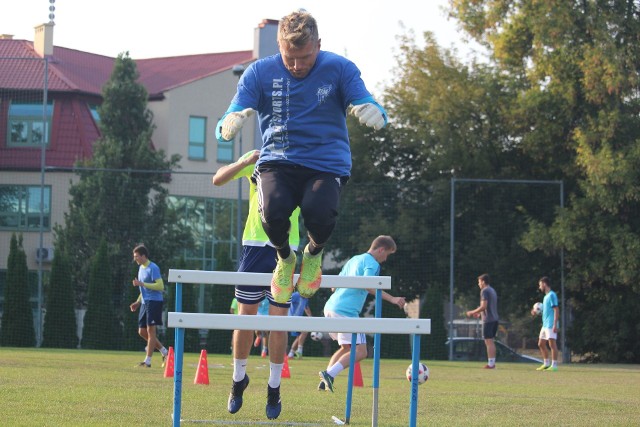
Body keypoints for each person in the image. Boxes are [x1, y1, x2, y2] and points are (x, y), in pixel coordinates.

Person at [216, 10, 388, 307]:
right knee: (272, 210)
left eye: (305, 57)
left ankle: (313, 253)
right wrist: (227, 124)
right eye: (289, 58)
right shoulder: (259, 73)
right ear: (279, 48)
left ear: (318, 45)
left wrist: (373, 110)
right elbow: (228, 117)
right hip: (278, 161)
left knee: (319, 211)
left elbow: (366, 99)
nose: (297, 66)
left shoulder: (340, 68)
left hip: (325, 162)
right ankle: (285, 259)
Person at [212, 149, 300, 420]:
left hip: (286, 247)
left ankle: (274, 387)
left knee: (278, 322)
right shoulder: (258, 157)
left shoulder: (302, 160)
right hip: (253, 246)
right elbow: (217, 179)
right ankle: (238, 379)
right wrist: (245, 161)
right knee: (245, 317)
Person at [318, 236, 405, 392]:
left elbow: (334, 286)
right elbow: (368, 284)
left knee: (346, 348)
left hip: (331, 306)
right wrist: (392, 298)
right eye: (387, 255)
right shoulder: (372, 263)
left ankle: (325, 382)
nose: (385, 259)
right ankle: (329, 374)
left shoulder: (354, 259)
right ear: (381, 250)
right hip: (346, 311)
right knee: (361, 351)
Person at [129, 244, 169, 368]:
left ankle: (148, 361)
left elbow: (160, 286)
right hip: (145, 302)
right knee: (141, 331)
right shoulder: (140, 268)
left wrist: (142, 283)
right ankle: (164, 351)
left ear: (144, 256)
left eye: (137, 256)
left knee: (151, 332)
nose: (135, 259)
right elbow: (143, 289)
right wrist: (138, 301)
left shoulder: (153, 268)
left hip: (154, 302)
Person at [466, 273, 499, 369]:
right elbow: (488, 307)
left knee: (488, 341)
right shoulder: (492, 290)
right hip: (495, 319)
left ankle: (491, 364)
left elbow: (483, 306)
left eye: (479, 282)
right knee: (490, 341)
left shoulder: (484, 291)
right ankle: (492, 363)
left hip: (488, 320)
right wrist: (480, 313)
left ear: (483, 282)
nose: (478, 284)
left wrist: (472, 312)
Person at [532, 276, 560, 371]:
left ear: (544, 284)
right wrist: (536, 312)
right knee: (541, 344)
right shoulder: (545, 297)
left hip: (551, 324)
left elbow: (556, 309)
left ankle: (554, 366)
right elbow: (546, 310)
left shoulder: (552, 295)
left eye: (540, 285)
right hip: (545, 325)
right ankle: (546, 363)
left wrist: (555, 324)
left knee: (552, 344)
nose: (539, 287)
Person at [287, 291, 313, 359]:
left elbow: (306, 308)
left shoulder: (306, 298)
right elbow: (286, 300)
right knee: (305, 331)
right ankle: (299, 351)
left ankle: (291, 354)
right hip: (291, 319)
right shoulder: (295, 295)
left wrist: (310, 317)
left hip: (298, 320)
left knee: (299, 337)